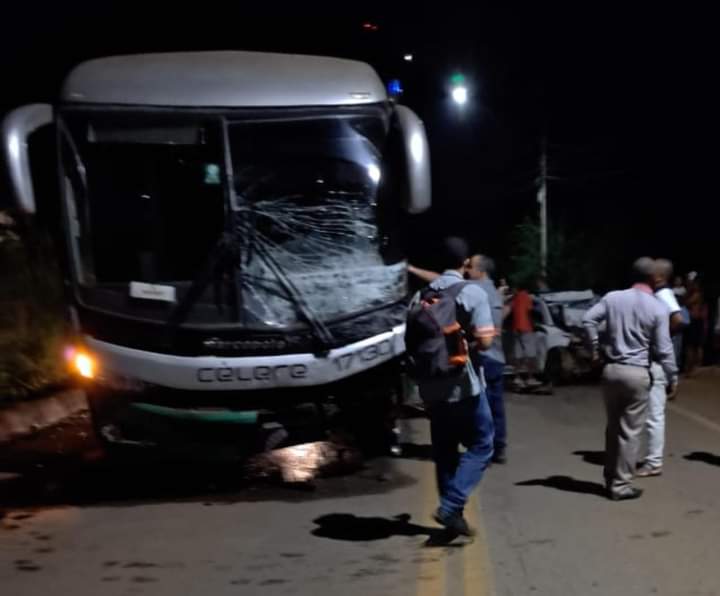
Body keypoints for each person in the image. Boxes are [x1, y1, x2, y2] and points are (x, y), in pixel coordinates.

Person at [411, 238, 496, 537]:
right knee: (483, 445)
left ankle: (453, 517)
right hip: (464, 384)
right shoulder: (472, 293)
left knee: (445, 450)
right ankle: (452, 505)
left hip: (430, 386)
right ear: (465, 263)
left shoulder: (419, 296)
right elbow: (486, 341)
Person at [583, 258, 678, 501]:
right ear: (652, 279)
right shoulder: (657, 307)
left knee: (613, 428)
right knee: (630, 432)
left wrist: (595, 347)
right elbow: (665, 348)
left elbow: (588, 319)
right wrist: (672, 375)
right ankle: (621, 485)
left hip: (611, 371)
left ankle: (609, 478)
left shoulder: (613, 298)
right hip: (637, 373)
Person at [637, 259, 683, 477]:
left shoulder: (663, 294)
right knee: (649, 412)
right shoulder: (656, 294)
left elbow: (678, 319)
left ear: (659, 276)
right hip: (652, 359)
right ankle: (649, 458)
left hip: (657, 359)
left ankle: (654, 461)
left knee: (654, 414)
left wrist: (660, 336)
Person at [465, 255, 509, 464]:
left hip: (484, 355)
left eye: (470, 266)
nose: (466, 270)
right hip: (497, 357)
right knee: (496, 404)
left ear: (480, 271)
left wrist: (412, 270)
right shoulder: (493, 291)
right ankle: (498, 446)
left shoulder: (477, 289)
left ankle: (485, 447)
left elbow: (443, 281)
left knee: (481, 405)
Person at [510, 282, 542, 390]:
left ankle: (517, 377)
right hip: (526, 328)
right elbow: (530, 311)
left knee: (518, 354)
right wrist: (534, 324)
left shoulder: (514, 299)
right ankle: (530, 377)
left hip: (516, 329)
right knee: (530, 353)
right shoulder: (525, 296)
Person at [685, 276, 707, 376]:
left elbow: (687, 302)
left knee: (692, 345)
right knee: (694, 345)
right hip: (696, 320)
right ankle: (693, 367)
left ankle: (693, 368)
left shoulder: (696, 294)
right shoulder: (698, 294)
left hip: (695, 320)